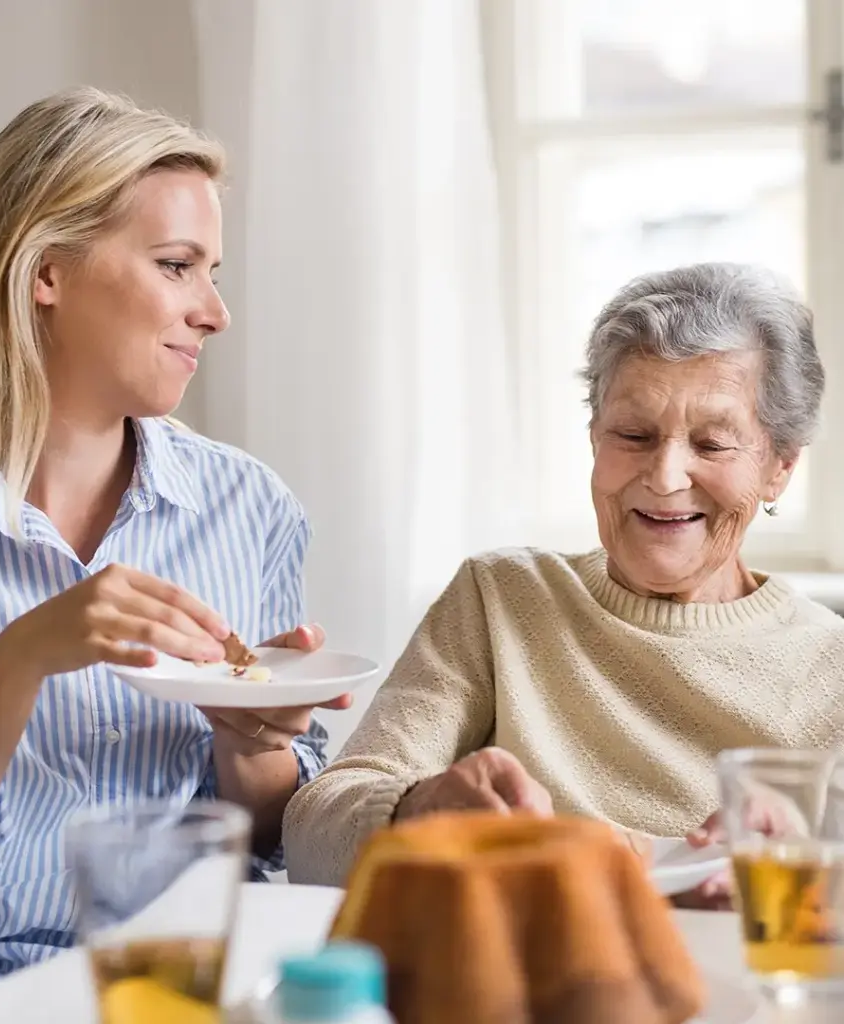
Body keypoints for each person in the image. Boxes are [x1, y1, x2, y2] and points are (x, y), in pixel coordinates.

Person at [0, 87, 347, 1004]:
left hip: (185, 977)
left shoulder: (247, 507)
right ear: (45, 271)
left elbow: (270, 841)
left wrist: (250, 740)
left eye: (213, 271)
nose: (215, 311)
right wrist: (22, 656)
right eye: (178, 266)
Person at [284, 261, 844, 901]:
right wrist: (417, 809)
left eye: (713, 444)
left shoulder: (832, 667)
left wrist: (811, 876)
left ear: (779, 468)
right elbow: (308, 836)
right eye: (632, 435)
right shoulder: (501, 598)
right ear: (594, 439)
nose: (664, 477)